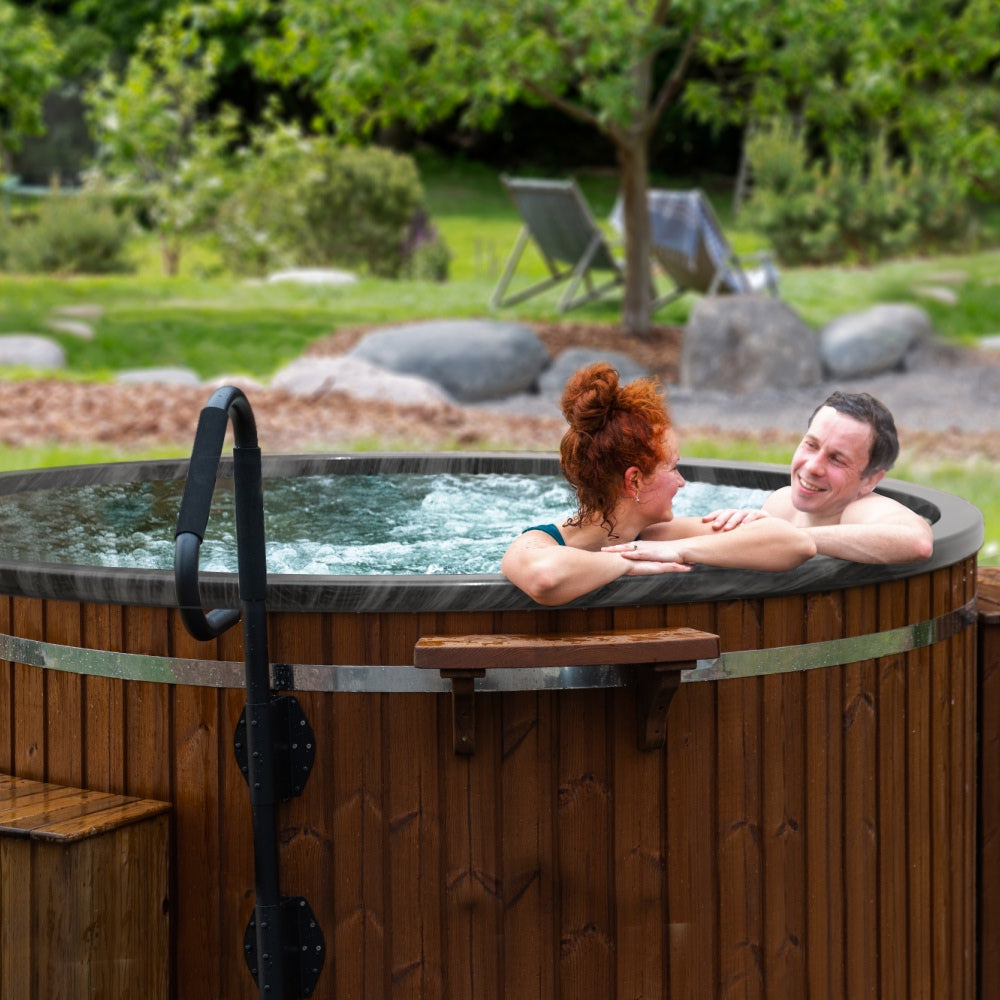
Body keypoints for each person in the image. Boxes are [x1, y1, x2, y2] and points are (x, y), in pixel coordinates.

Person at [500, 363, 817, 606]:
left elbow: (796, 544)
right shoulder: (540, 541)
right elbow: (545, 577)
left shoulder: (658, 536)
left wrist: (676, 551)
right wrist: (629, 561)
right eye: (673, 467)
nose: (682, 482)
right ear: (634, 480)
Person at [655, 390, 934, 565]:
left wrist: (783, 538)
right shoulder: (781, 503)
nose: (813, 466)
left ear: (869, 480)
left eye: (837, 459)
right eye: (811, 445)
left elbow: (917, 542)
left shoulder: (862, 507)